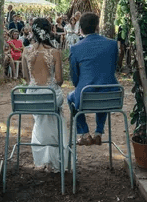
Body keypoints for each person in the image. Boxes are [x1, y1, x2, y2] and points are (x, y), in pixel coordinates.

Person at [22, 17, 68, 172]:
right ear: (49, 31)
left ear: (34, 31)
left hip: (33, 97)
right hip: (50, 95)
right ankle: (55, 160)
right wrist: (51, 84)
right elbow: (60, 80)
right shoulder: (55, 52)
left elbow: (27, 78)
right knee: (54, 116)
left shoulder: (26, 51)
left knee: (41, 121)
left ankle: (42, 159)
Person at [68, 12, 118, 146]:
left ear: (81, 29)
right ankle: (98, 132)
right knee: (102, 91)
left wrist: (78, 85)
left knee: (70, 97)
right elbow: (113, 68)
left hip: (85, 95)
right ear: (97, 27)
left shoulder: (75, 48)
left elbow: (74, 76)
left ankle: (84, 133)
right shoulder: (113, 45)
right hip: (112, 96)